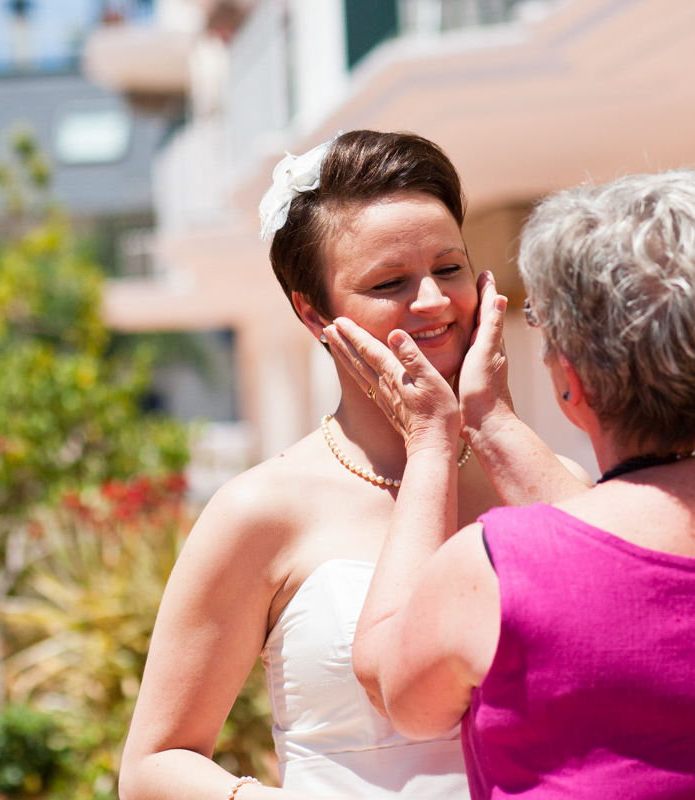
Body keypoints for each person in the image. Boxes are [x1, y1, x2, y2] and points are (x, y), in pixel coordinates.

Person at [345, 169, 695, 799]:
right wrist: (490, 422)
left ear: (572, 379)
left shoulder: (496, 568)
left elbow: (391, 688)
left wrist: (432, 437)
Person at [119, 130, 587, 800]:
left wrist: (493, 426)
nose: (433, 302)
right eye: (390, 282)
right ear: (313, 313)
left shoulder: (553, 477)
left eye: (449, 268)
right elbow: (152, 765)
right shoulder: (262, 509)